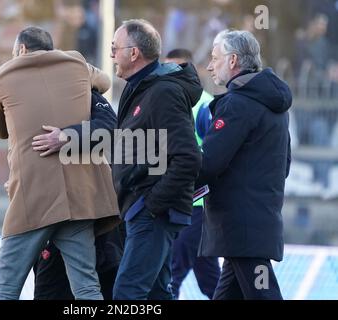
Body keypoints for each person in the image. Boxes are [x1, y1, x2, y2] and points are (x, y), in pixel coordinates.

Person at [0, 26, 119, 300]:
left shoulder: (1, 76)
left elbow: (0, 130)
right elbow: (105, 81)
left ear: (21, 49)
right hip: (78, 198)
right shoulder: (76, 63)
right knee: (86, 286)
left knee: (4, 287)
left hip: (32, 200)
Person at [196, 30, 292, 300]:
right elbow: (284, 164)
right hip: (253, 225)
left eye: (215, 58)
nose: (210, 65)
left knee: (264, 295)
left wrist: (170, 180)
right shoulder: (274, 107)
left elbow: (209, 163)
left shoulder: (238, 105)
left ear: (233, 60)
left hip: (242, 230)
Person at [110, 19, 203, 300]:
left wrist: (151, 206)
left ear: (134, 53)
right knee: (157, 294)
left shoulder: (163, 92)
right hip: (140, 210)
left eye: (114, 48)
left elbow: (188, 158)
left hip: (152, 213)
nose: (111, 54)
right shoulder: (139, 88)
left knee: (127, 295)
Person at [30, 89, 125, 300]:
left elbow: (109, 127)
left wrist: (65, 137)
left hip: (92, 219)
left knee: (94, 285)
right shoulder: (26, 92)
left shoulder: (82, 89)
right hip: (50, 216)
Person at [164, 48, 220, 300]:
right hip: (181, 202)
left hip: (195, 206)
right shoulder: (169, 102)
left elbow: (216, 154)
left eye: (176, 69)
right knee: (212, 281)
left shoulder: (203, 105)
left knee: (170, 275)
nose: (169, 76)